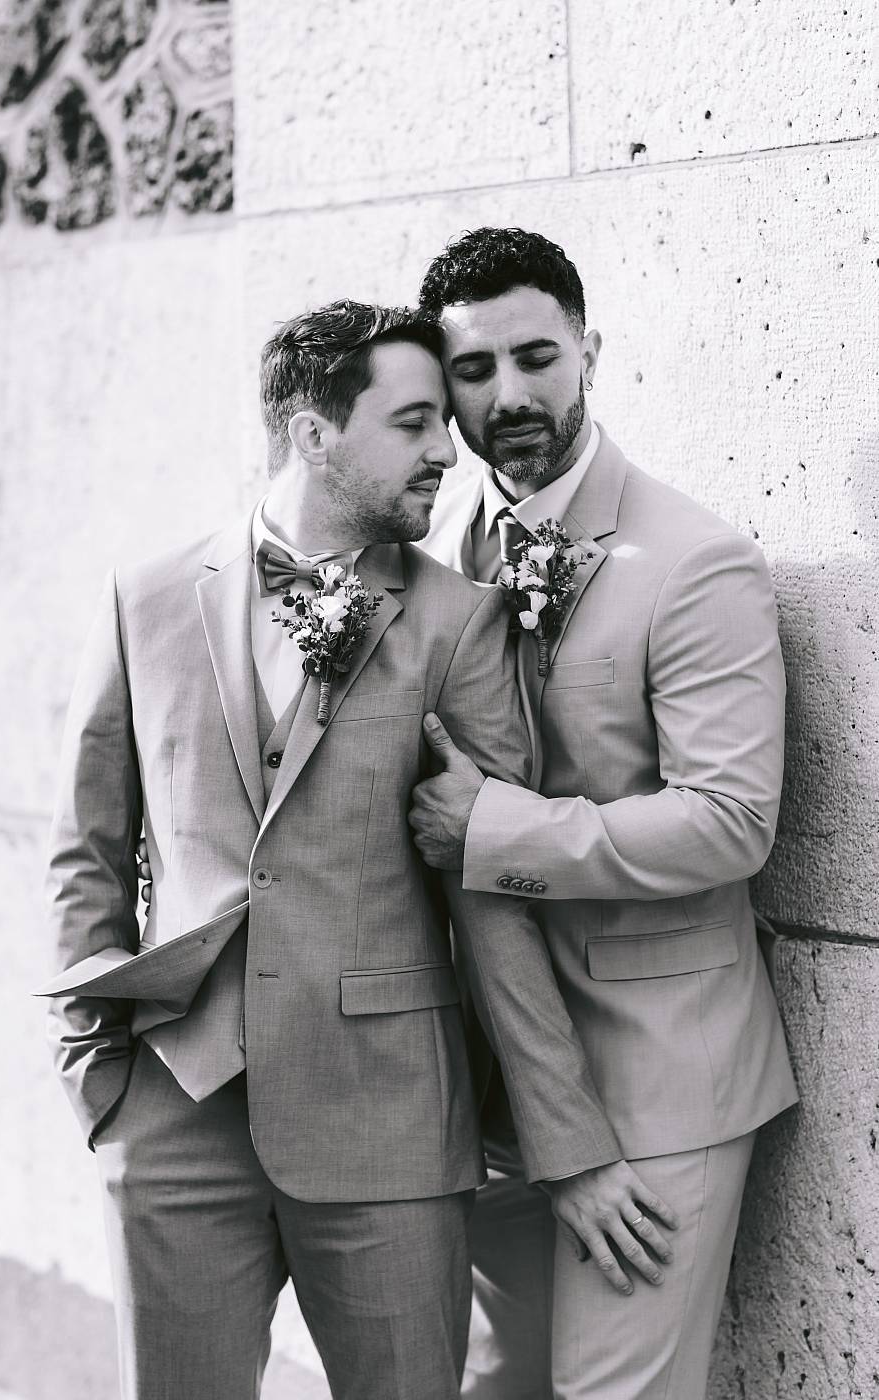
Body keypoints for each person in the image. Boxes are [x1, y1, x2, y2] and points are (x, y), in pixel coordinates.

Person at [40, 300, 624, 1400]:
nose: (446, 450)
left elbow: (490, 894)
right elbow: (87, 847)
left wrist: (564, 1136)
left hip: (389, 1124)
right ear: (314, 436)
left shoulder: (458, 622)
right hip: (174, 1108)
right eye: (411, 424)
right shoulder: (148, 598)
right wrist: (97, 1076)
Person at [409, 227, 799, 1400]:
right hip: (491, 1077)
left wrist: (498, 831)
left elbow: (731, 819)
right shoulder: (440, 551)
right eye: (474, 370)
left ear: (589, 349)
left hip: (655, 1081)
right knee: (501, 1385)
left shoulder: (694, 560)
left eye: (537, 355)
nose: (510, 393)